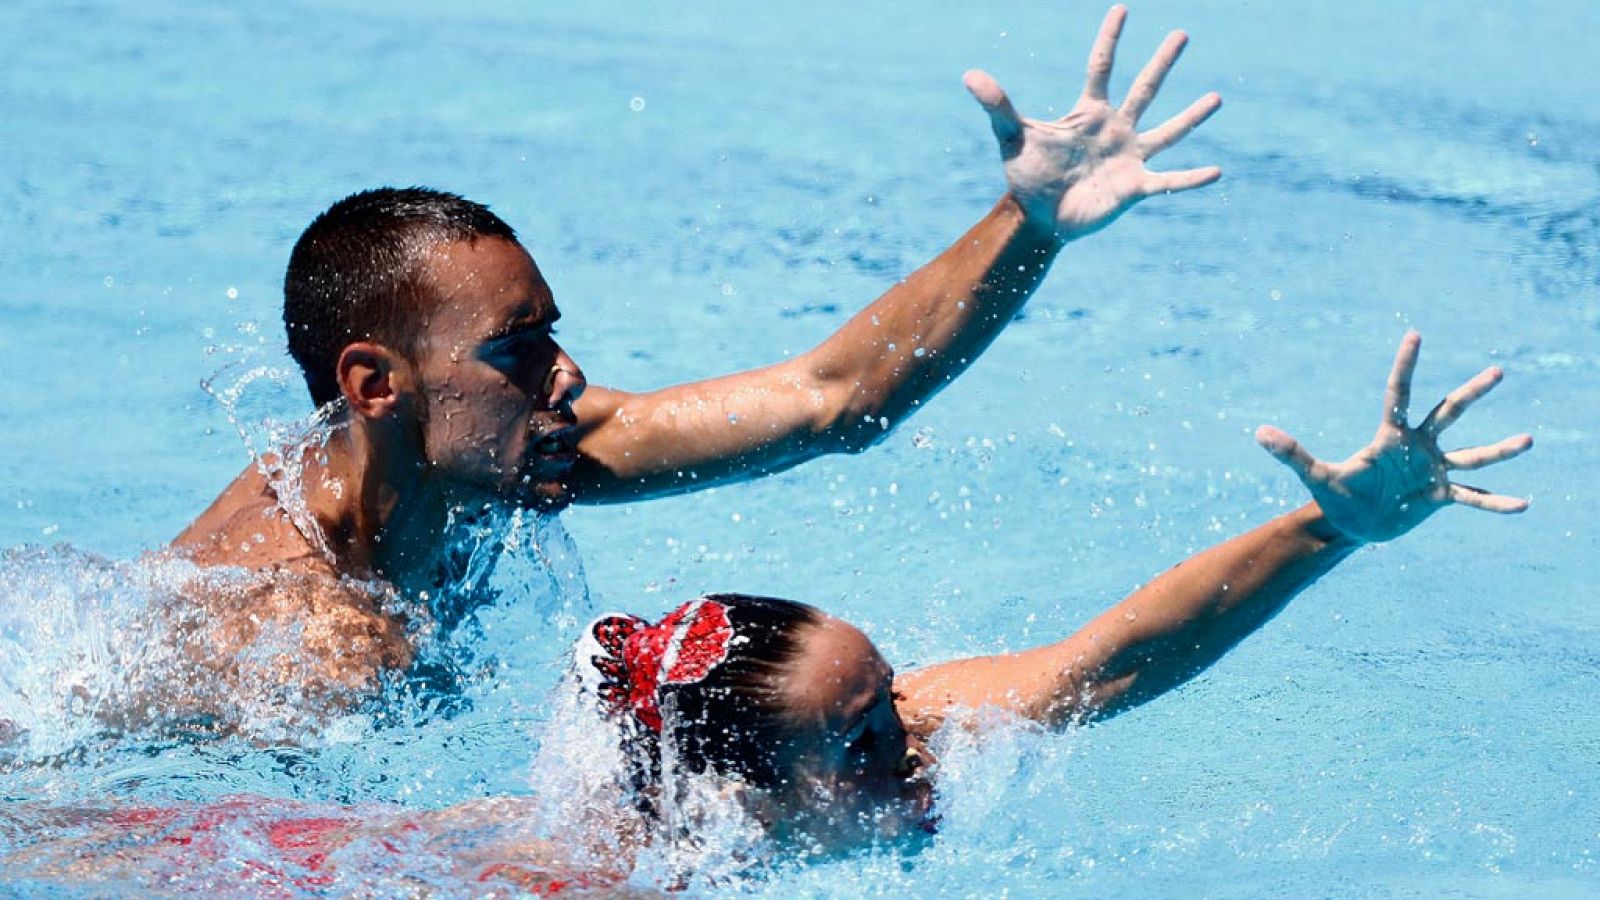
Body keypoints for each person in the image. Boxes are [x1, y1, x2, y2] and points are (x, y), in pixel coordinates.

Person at [5, 334, 1530, 889]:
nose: (913, 752)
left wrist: (1336, 529)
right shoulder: (590, 883)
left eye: (887, 708)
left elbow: (1105, 665)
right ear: (738, 808)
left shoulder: (903, 736)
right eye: (860, 748)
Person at [154, 6, 1225, 728]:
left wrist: (1028, 224)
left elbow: (836, 401)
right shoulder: (297, 633)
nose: (566, 378)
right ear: (375, 385)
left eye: (551, 336)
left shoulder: (483, 447)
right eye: (516, 351)